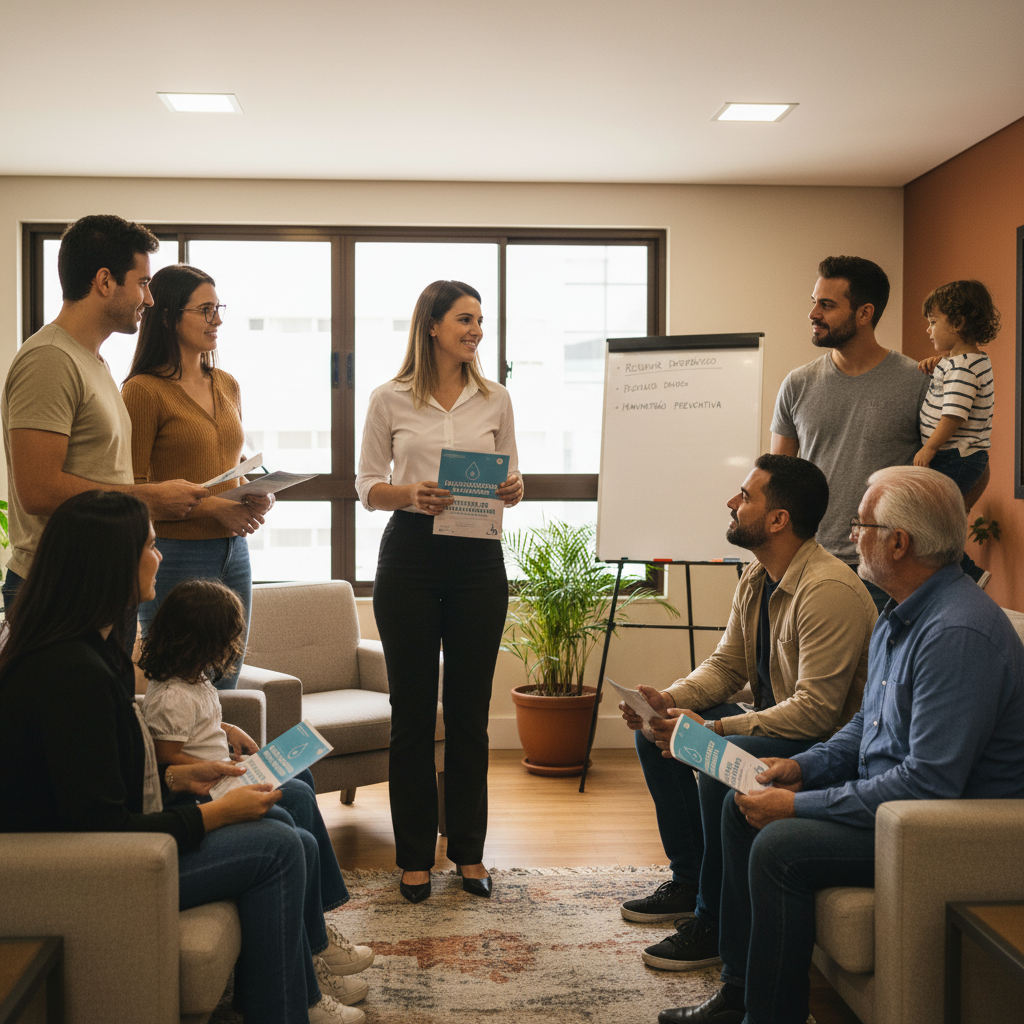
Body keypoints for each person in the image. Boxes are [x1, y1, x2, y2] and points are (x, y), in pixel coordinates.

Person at [660, 465, 1024, 1024]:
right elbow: (863, 729)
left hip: (936, 832)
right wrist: (800, 769)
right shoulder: (900, 612)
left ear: (898, 543)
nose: (851, 535)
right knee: (742, 803)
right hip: (892, 803)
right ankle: (740, 993)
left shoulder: (955, 634)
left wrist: (798, 805)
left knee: (780, 846)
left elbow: (928, 784)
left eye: (862, 524)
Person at [0, 490, 365, 1023]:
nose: (161, 555)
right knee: (279, 843)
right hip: (98, 868)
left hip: (112, 844)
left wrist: (180, 776)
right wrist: (215, 812)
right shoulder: (66, 673)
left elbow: (103, 778)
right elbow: (102, 825)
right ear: (112, 563)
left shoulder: (88, 651)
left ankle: (291, 998)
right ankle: (287, 1009)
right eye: (150, 545)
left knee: (284, 814)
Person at [617, 455, 876, 971]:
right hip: (786, 722)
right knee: (656, 734)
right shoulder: (758, 574)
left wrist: (710, 729)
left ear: (778, 520)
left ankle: (713, 924)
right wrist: (670, 702)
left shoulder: (828, 591)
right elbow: (727, 665)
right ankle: (690, 881)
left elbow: (816, 715)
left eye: (745, 496)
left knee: (716, 758)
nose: (732, 504)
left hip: (826, 746)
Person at [355, 279, 523, 902]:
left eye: (480, 320)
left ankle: (470, 853)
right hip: (411, 558)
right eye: (464, 319)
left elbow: (511, 471)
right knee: (413, 714)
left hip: (479, 559)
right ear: (432, 326)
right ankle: (413, 855)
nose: (477, 330)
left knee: (471, 715)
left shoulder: (496, 398)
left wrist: (514, 488)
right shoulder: (389, 398)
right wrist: (409, 494)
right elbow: (367, 484)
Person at [140, 578, 373, 1007]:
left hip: (221, 775)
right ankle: (316, 943)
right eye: (229, 635)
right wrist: (224, 768)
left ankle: (315, 929)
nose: (234, 643)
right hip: (201, 793)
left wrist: (229, 730)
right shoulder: (171, 695)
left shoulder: (196, 681)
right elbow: (166, 760)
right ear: (204, 639)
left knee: (301, 783)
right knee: (295, 799)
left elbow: (202, 727)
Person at [1, 214, 207, 617]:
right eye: (143, 283)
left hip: (103, 578)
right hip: (58, 587)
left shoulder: (95, 362)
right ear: (104, 281)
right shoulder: (49, 360)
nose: (149, 300)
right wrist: (148, 498)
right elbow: (38, 490)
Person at [122, 263, 273, 688]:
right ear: (169, 317)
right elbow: (131, 489)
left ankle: (221, 757)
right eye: (205, 309)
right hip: (175, 554)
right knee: (179, 684)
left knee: (227, 681)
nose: (217, 319)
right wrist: (214, 509)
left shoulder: (227, 383)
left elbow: (229, 467)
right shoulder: (142, 390)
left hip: (234, 553)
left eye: (218, 308)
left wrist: (255, 493)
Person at [770, 255, 931, 613]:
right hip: (811, 565)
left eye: (827, 305)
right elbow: (778, 484)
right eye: (814, 302)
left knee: (881, 671)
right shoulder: (797, 384)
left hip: (887, 572)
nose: (813, 314)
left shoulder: (917, 383)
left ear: (864, 313)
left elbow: (964, 469)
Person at [914, 279, 999, 585]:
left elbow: (954, 415)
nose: (928, 330)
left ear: (959, 322)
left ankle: (968, 573)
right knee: (936, 520)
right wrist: (939, 363)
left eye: (933, 322)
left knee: (936, 522)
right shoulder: (964, 362)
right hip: (959, 455)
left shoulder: (963, 369)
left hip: (955, 456)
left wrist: (929, 448)